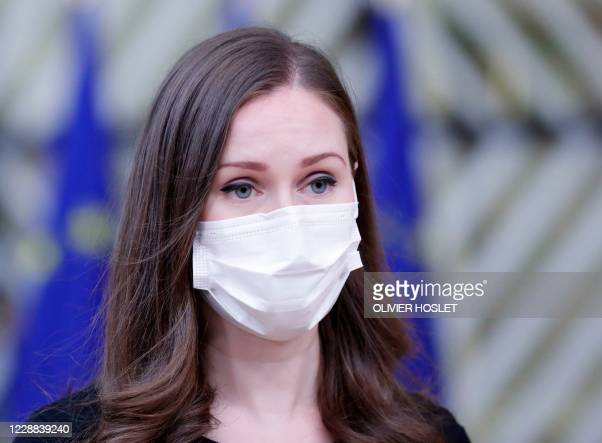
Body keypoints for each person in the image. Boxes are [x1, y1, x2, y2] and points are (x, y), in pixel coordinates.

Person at [23, 27, 471, 442]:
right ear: (179, 208)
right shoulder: (64, 435)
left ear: (355, 182)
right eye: (241, 187)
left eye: (319, 181)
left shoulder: (430, 434)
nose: (290, 225)